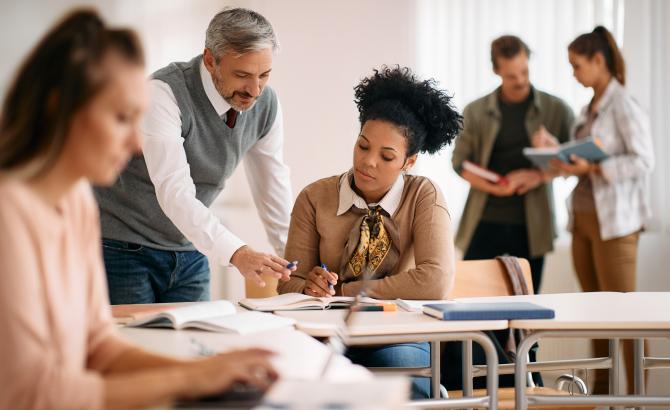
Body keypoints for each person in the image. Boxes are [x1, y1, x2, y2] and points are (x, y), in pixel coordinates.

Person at [0, 10, 278, 409]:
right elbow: (32, 395)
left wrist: (206, 372)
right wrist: (189, 379)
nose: (135, 143)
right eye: (120, 118)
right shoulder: (10, 215)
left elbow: (99, 346)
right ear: (60, 107)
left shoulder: (77, 202)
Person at [277, 66, 460, 398]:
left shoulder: (423, 195)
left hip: (398, 334)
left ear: (409, 161)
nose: (368, 162)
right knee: (299, 388)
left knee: (401, 391)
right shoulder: (314, 197)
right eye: (363, 146)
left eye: (387, 156)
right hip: (324, 333)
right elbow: (288, 281)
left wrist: (349, 290)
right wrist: (310, 285)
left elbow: (436, 279)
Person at [94, 8, 295, 304]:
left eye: (264, 75)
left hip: (189, 251)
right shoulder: (164, 93)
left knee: (195, 347)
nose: (254, 90)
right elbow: (175, 191)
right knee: (135, 345)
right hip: (124, 248)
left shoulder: (266, 104)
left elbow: (272, 186)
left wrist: (295, 257)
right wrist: (238, 253)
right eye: (242, 75)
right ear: (210, 60)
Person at [555, 25, 654, 395]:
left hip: (616, 225)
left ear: (599, 61)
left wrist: (596, 167)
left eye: (577, 65)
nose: (574, 74)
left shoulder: (624, 104)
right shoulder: (589, 108)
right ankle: (600, 396)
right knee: (596, 314)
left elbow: (644, 161)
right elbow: (585, 156)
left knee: (627, 317)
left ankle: (638, 400)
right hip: (583, 220)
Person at [452, 35, 575, 293]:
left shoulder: (557, 110)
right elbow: (459, 162)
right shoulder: (475, 111)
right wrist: (493, 187)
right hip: (484, 218)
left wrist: (538, 176)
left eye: (524, 72)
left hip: (531, 225)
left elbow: (573, 162)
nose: (520, 80)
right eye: (511, 76)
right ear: (496, 71)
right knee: (469, 298)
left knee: (526, 305)